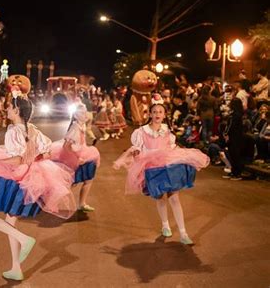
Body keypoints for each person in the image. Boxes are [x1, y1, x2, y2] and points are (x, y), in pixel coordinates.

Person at [0, 92, 75, 281]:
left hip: (14, 178)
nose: (6, 109)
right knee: (10, 222)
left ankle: (24, 239)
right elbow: (46, 154)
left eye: (8, 106)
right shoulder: (32, 129)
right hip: (28, 178)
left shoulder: (13, 131)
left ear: (16, 110)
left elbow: (17, 159)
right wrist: (33, 158)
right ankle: (16, 267)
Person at [114, 94, 209, 245]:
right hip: (152, 168)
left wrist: (187, 159)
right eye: (155, 112)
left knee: (174, 198)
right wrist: (125, 159)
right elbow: (136, 148)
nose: (157, 114)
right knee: (160, 198)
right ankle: (165, 225)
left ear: (164, 115)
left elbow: (172, 147)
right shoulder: (141, 132)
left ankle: (183, 233)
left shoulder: (167, 131)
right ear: (150, 114)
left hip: (168, 166)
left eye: (160, 112)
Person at [50, 101, 100, 212]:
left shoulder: (81, 126)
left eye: (85, 112)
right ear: (76, 115)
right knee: (70, 182)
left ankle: (82, 204)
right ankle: (51, 202)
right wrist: (77, 158)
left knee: (88, 179)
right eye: (82, 113)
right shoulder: (75, 128)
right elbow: (66, 146)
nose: (85, 115)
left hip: (85, 155)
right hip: (76, 158)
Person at [222, 98, 245, 180]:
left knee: (235, 155)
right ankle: (233, 172)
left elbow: (230, 126)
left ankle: (237, 173)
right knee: (232, 154)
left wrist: (226, 133)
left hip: (234, 137)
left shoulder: (235, 115)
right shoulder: (238, 114)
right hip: (236, 136)